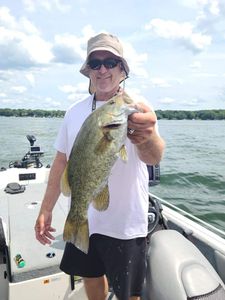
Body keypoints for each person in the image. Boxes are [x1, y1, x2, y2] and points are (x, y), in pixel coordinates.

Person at [35, 33, 165, 300]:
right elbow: (62, 161)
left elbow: (154, 158)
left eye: (110, 61)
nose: (103, 68)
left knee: (129, 293)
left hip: (125, 223)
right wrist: (46, 208)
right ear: (89, 71)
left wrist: (147, 137)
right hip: (87, 219)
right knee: (91, 278)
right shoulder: (74, 112)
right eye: (95, 63)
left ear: (122, 69)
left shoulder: (137, 108)